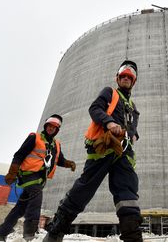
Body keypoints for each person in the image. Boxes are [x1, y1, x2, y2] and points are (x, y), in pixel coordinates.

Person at [43, 60, 142, 242]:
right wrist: (109, 123)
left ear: (134, 81)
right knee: (83, 189)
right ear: (117, 78)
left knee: (127, 193)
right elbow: (94, 108)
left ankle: (133, 238)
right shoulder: (110, 93)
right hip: (103, 149)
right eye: (123, 76)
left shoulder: (134, 109)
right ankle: (55, 232)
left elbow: (133, 129)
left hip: (124, 153)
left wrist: (134, 135)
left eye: (130, 77)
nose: (126, 78)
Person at [0, 114, 76, 241]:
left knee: (20, 209)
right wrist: (12, 172)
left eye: (54, 127)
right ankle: (30, 234)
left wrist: (69, 164)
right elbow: (19, 154)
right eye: (49, 126)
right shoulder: (34, 137)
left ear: (57, 130)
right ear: (45, 126)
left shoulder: (56, 144)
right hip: (28, 175)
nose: (51, 128)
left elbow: (59, 160)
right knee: (36, 197)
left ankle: (0, 234)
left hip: (40, 179)